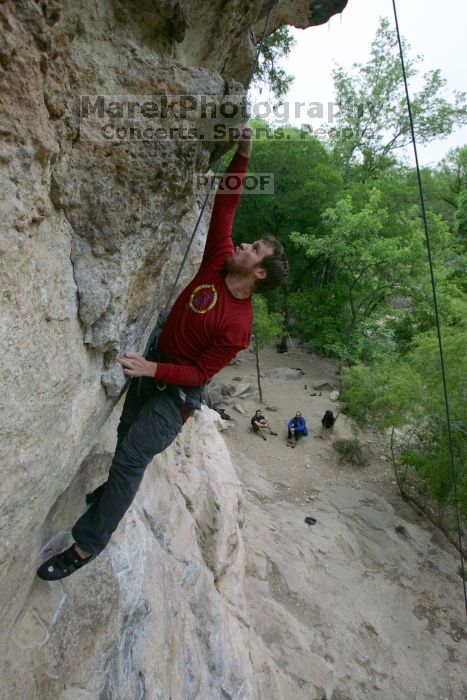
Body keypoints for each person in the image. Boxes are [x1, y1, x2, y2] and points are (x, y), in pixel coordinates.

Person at [37, 130, 289, 581]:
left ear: (259, 272)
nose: (243, 244)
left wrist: (152, 368)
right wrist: (245, 151)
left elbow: (198, 374)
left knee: (133, 455)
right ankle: (112, 491)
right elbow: (224, 206)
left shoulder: (238, 326)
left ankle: (85, 547)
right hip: (155, 364)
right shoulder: (217, 261)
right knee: (125, 438)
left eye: (252, 250)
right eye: (248, 242)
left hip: (176, 396)